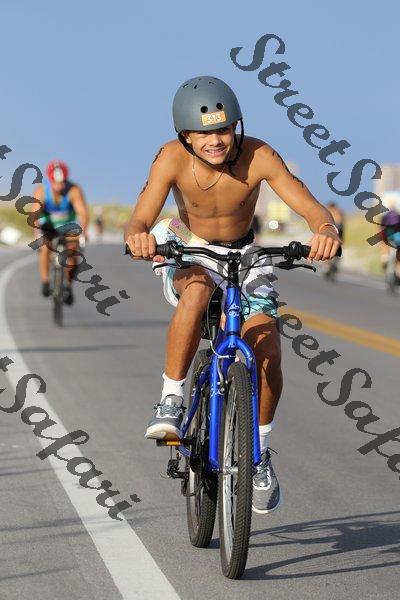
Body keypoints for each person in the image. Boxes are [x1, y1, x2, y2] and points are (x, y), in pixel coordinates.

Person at [124, 76, 341, 514]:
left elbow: (309, 205)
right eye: (203, 133)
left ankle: (258, 456)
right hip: (190, 248)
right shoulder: (170, 158)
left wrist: (326, 229)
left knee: (268, 352)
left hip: (245, 255)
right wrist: (139, 237)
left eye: (224, 130)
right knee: (197, 291)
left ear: (236, 127)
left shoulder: (259, 155)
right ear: (185, 135)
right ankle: (171, 398)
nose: (216, 141)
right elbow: (139, 219)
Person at [34, 160, 89, 304]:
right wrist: (37, 232)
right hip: (49, 226)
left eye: (62, 183)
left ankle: (68, 286)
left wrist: (84, 232)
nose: (59, 186)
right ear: (50, 180)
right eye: (55, 183)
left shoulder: (74, 190)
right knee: (44, 247)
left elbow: (83, 213)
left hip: (68, 226)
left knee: (72, 254)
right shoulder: (41, 190)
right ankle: (45, 281)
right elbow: (34, 214)